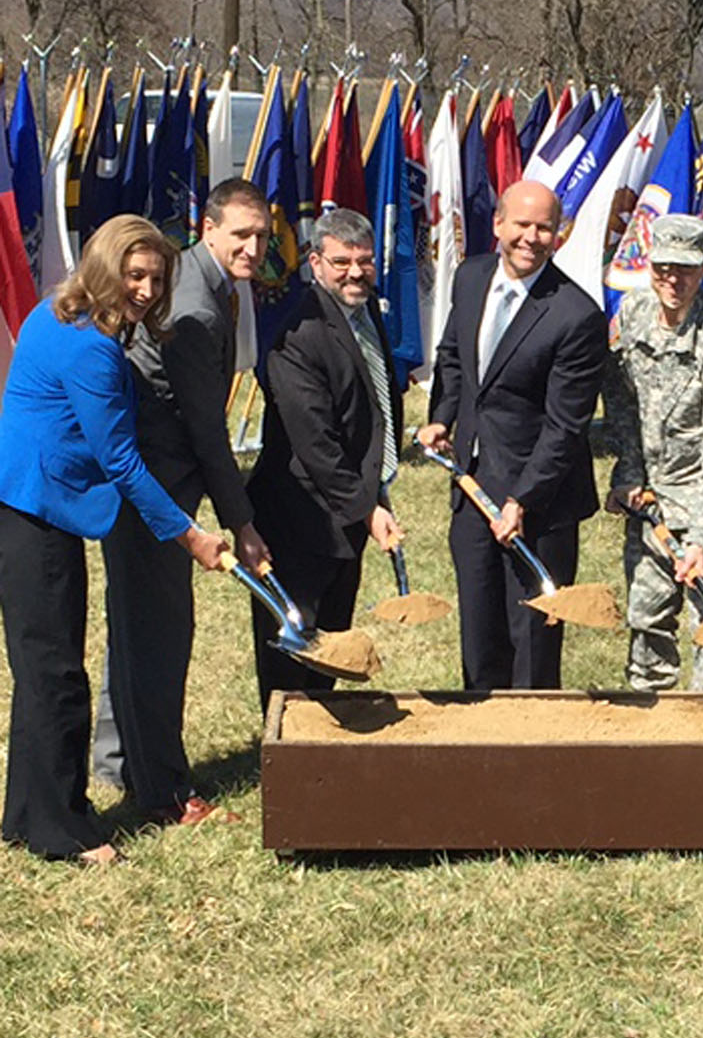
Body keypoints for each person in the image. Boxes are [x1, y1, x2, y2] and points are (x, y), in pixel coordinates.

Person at [0, 216, 227, 864]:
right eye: (135, 275)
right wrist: (191, 535)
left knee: (43, 666)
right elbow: (122, 460)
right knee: (57, 676)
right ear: (104, 267)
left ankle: (26, 812)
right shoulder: (91, 348)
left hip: (32, 505)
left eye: (157, 277)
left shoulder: (58, 312)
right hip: (33, 510)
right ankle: (62, 829)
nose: (148, 289)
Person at [90, 178, 272, 822]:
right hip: (152, 492)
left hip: (152, 483)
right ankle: (162, 787)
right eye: (241, 235)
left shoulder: (209, 282)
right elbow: (206, 429)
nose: (252, 248)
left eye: (262, 237)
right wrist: (241, 522)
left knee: (136, 625)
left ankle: (117, 760)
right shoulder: (192, 306)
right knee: (160, 636)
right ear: (208, 225)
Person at [419, 181, 608, 689]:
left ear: (558, 234)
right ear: (498, 224)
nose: (531, 237)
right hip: (473, 488)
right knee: (480, 634)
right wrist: (442, 417)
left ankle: (532, 756)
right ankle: (481, 746)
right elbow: (455, 358)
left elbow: (565, 426)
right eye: (521, 224)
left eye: (544, 227)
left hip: (540, 503)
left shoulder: (576, 315)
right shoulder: (471, 277)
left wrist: (523, 499)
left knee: (532, 640)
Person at [245, 209, 404, 706]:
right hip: (299, 520)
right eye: (341, 262)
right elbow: (315, 442)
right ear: (315, 262)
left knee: (333, 642)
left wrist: (369, 497)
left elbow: (375, 408)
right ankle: (285, 752)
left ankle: (322, 744)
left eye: (364, 261)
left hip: (344, 519)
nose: (355, 272)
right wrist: (366, 507)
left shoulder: (363, 311)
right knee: (293, 651)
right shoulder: (299, 334)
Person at [602, 213, 703, 690]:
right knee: (646, 622)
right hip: (653, 504)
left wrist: (699, 538)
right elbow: (621, 402)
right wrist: (628, 473)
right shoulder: (632, 315)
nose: (672, 280)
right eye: (663, 268)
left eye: (686, 269)